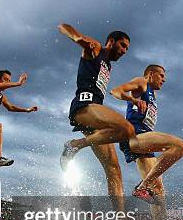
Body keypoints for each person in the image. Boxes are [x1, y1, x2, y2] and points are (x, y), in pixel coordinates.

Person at [57, 24, 133, 210]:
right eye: (122, 45)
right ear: (111, 41)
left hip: (95, 115)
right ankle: (75, 145)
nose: (124, 51)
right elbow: (64, 27)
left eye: (127, 49)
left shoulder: (107, 65)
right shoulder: (97, 49)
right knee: (127, 129)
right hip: (84, 107)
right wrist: (78, 39)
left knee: (114, 169)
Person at [110, 65, 183, 204]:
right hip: (135, 135)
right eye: (161, 75)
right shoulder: (142, 82)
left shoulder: (153, 94)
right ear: (151, 74)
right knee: (181, 146)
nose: (164, 80)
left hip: (145, 138)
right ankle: (142, 187)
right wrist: (133, 100)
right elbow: (115, 91)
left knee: (158, 192)